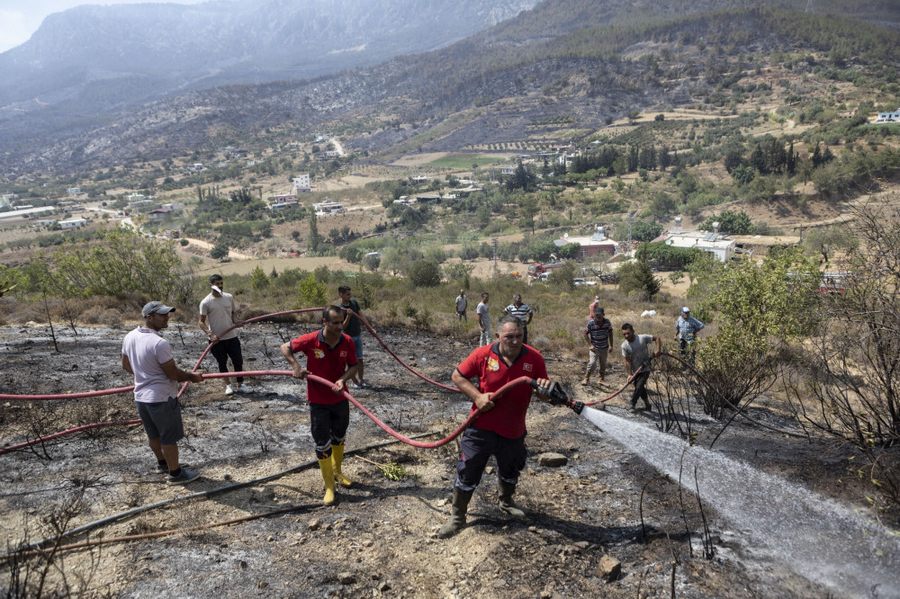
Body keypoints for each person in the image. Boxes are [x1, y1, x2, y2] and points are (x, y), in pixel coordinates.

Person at [438, 316, 553, 538]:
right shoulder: (483, 355)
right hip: (481, 426)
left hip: (513, 429)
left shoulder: (534, 359)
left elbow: (542, 393)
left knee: (511, 468)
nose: (515, 341)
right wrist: (477, 397)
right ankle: (458, 516)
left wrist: (545, 391)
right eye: (509, 337)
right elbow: (457, 376)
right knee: (468, 469)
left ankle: (506, 502)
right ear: (498, 336)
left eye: (519, 336)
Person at [280, 305, 359, 506]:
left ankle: (337, 472)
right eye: (335, 322)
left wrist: (342, 380)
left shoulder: (347, 341)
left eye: (341, 322)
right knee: (322, 441)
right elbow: (285, 347)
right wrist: (296, 366)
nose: (340, 326)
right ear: (324, 322)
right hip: (318, 402)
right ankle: (329, 486)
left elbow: (355, 366)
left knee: (339, 436)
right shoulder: (311, 340)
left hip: (340, 399)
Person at [122, 301, 205, 485]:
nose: (167, 317)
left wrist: (144, 375)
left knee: (153, 435)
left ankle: (162, 463)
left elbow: (125, 365)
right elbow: (172, 373)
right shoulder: (159, 343)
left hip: (141, 398)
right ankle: (175, 474)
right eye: (162, 315)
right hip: (161, 398)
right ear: (149, 317)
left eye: (167, 314)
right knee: (168, 437)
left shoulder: (129, 336)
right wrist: (192, 377)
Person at [199, 274, 244, 395]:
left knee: (238, 360)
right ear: (211, 285)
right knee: (222, 362)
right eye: (217, 283)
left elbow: (233, 313)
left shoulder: (229, 297)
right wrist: (210, 334)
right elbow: (201, 322)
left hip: (232, 336)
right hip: (216, 340)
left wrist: (236, 321)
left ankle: (240, 384)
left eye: (221, 283)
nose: (220, 286)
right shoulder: (206, 302)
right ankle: (228, 386)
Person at [621, 323, 661, 412]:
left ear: (633, 331)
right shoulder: (624, 346)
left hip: (645, 367)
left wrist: (658, 350)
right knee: (640, 387)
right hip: (635, 370)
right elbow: (627, 361)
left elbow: (657, 338)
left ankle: (632, 403)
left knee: (639, 385)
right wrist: (629, 374)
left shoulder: (642, 338)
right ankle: (647, 405)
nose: (626, 336)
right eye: (624, 334)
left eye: (628, 333)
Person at [338, 285, 370, 387]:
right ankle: (355, 382)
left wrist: (370, 327)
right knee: (351, 361)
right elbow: (342, 326)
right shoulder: (339, 309)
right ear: (341, 295)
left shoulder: (354, 303)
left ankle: (361, 380)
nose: (349, 296)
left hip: (357, 335)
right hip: (347, 338)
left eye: (350, 294)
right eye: (347, 294)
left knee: (360, 359)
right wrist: (348, 315)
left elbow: (361, 316)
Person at [582, 306, 613, 386]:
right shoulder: (591, 323)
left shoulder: (607, 322)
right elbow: (585, 334)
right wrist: (590, 345)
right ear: (594, 315)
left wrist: (611, 345)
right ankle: (586, 378)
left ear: (603, 314)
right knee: (592, 363)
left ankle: (601, 379)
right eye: (596, 315)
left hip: (604, 348)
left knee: (603, 365)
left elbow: (610, 333)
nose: (598, 317)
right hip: (594, 348)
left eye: (599, 315)